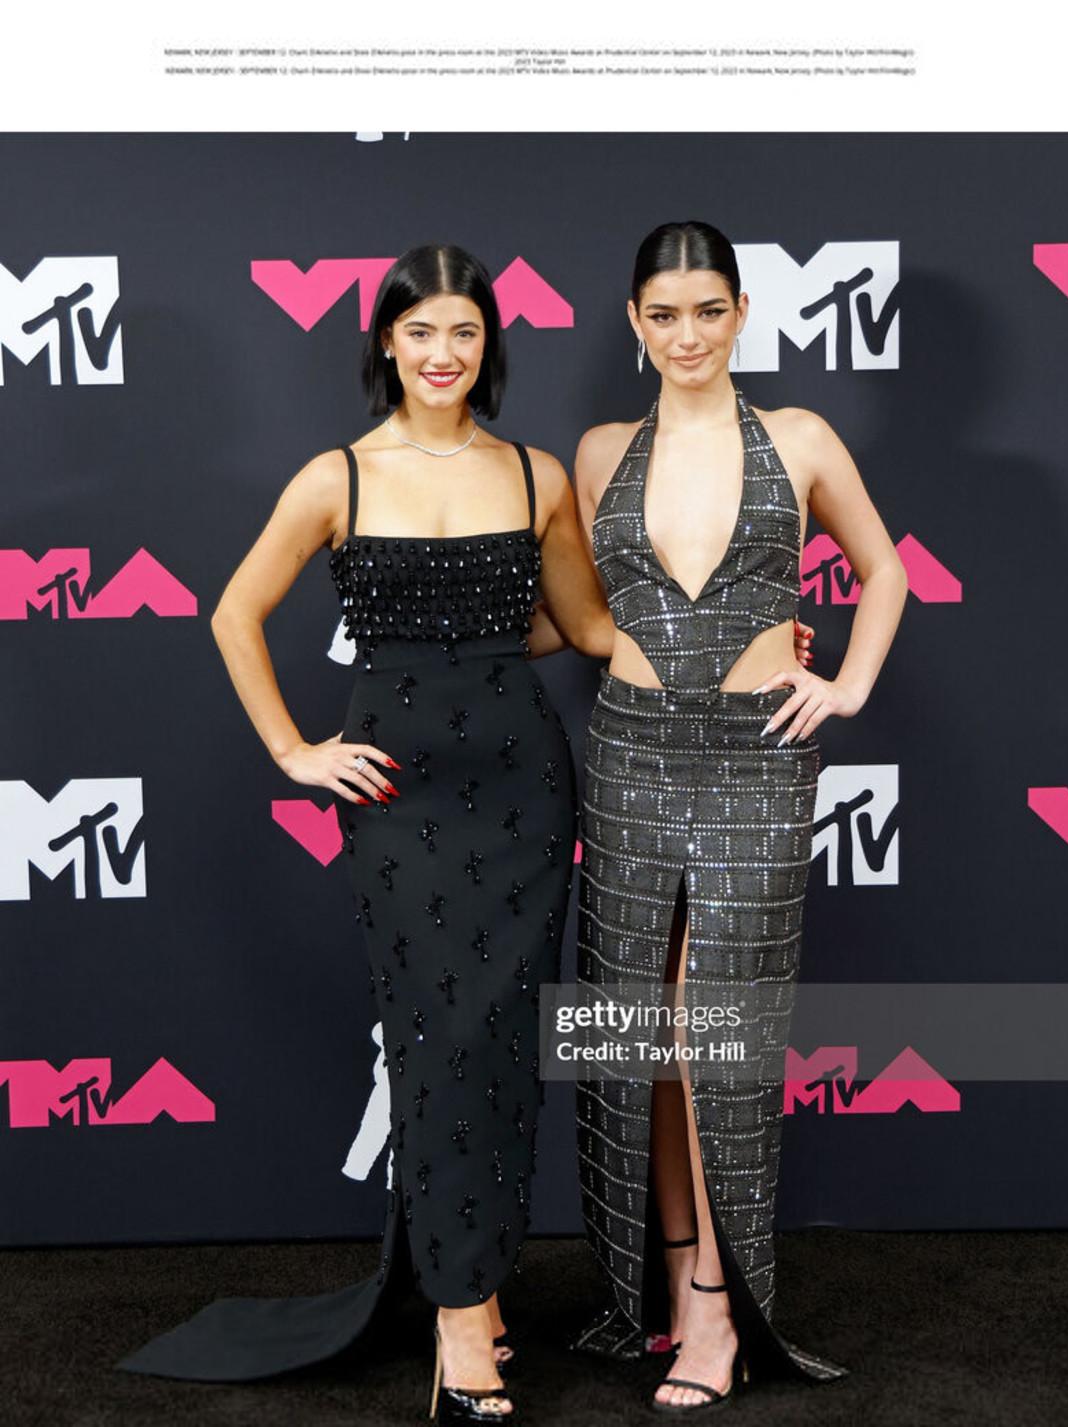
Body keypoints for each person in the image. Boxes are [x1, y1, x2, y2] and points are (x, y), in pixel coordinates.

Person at [116, 243, 614, 1424]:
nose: (444, 353)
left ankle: (480, 1283)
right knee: (436, 1040)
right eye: (421, 330)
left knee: (501, 1042)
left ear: (490, 345)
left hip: (521, 787)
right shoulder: (335, 476)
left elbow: (586, 627)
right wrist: (295, 750)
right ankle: (457, 1308)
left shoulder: (536, 473)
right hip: (398, 795)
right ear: (386, 341)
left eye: (465, 332)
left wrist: (746, 646)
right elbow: (232, 611)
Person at [567, 220, 907, 1410]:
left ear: (743, 312)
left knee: (719, 1030)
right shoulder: (599, 451)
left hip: (759, 756)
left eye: (708, 310)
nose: (688, 334)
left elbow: (886, 568)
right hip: (629, 747)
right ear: (634, 321)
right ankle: (667, 1271)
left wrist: (843, 682)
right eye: (664, 314)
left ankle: (720, 1299)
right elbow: (586, 614)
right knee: (647, 1028)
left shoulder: (800, 437)